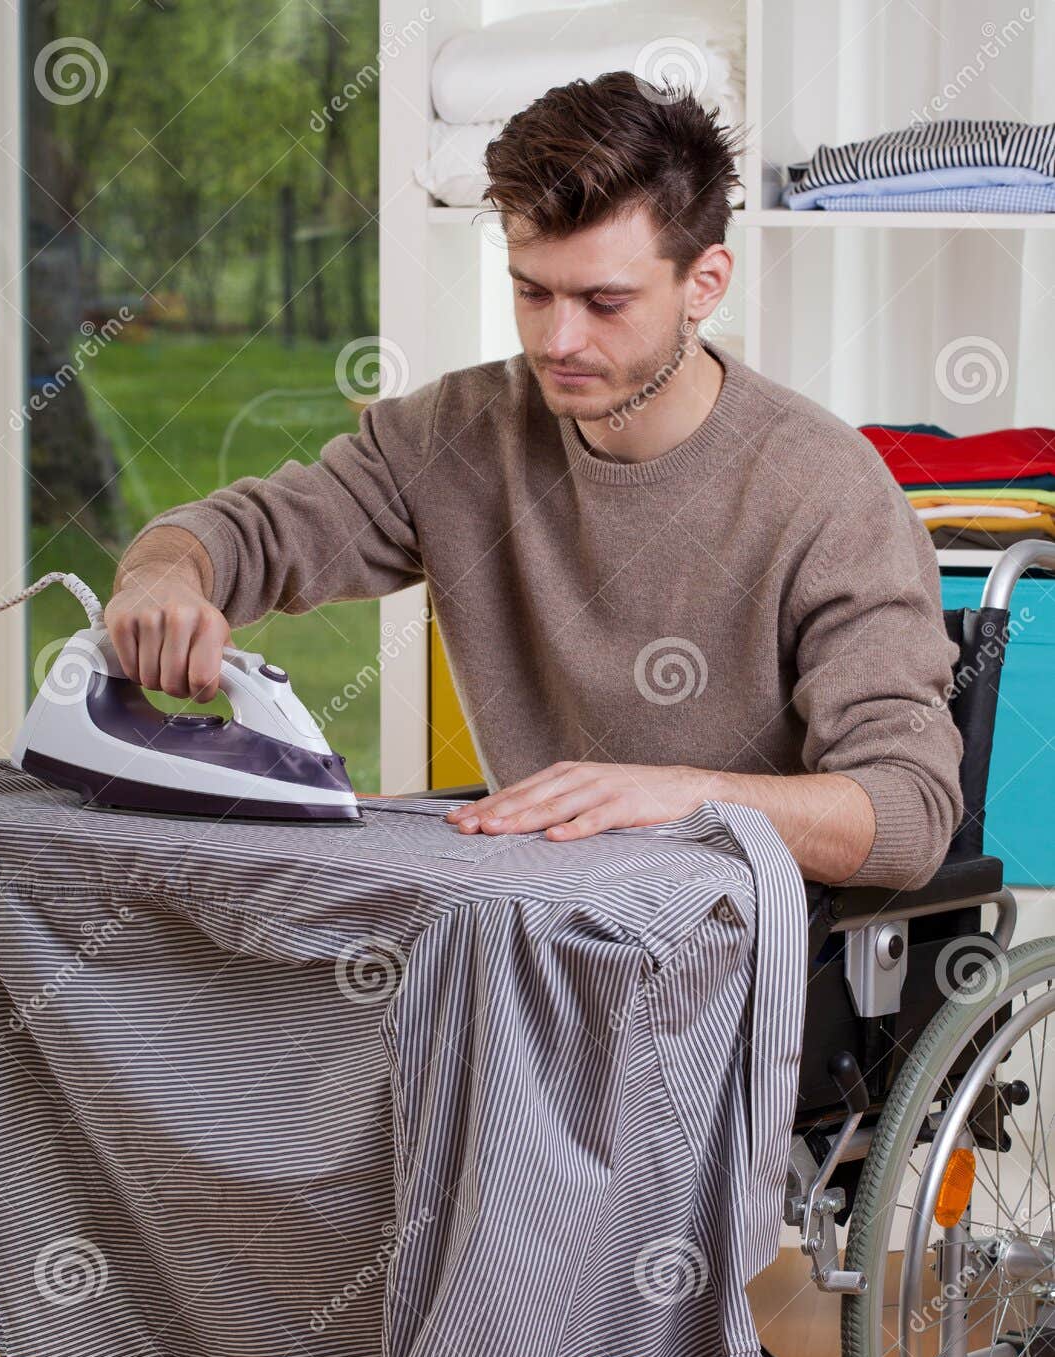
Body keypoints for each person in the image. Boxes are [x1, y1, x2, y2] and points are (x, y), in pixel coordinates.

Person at [105, 71, 962, 891]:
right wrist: (163, 576)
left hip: (741, 944)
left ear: (703, 284)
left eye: (604, 302)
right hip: (533, 916)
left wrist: (684, 797)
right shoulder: (457, 431)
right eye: (531, 292)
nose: (557, 341)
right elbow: (251, 532)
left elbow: (907, 812)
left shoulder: (825, 491)